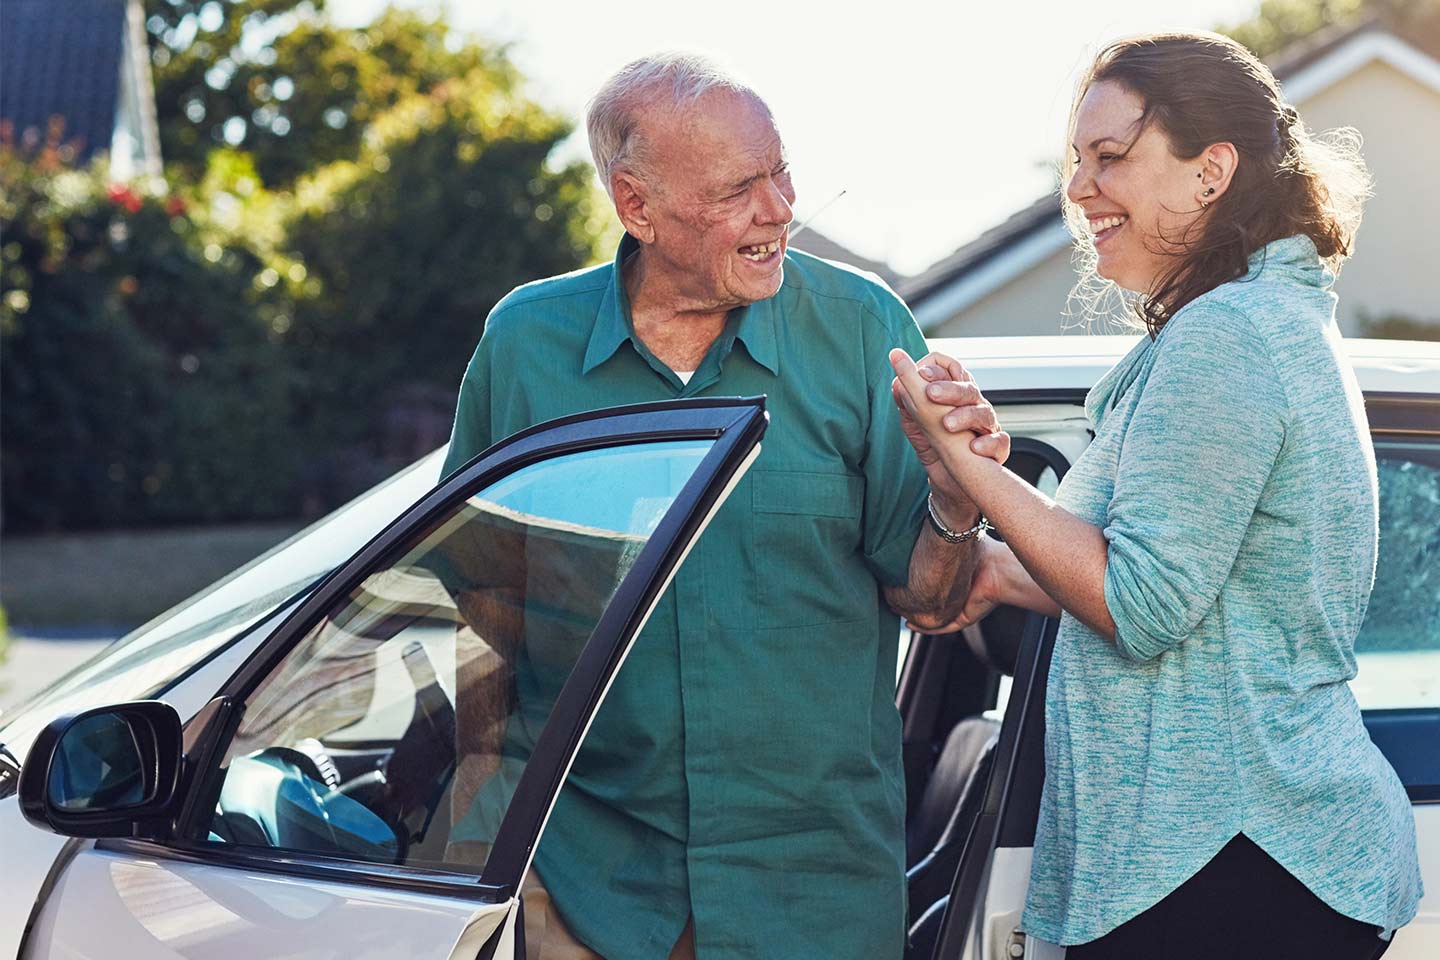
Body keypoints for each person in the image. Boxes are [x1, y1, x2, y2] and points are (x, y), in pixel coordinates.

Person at [440, 53, 1004, 960]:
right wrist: (484, 831)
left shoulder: (863, 331)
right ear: (637, 207)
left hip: (811, 898)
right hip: (589, 893)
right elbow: (482, 606)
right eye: (742, 187)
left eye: (780, 171)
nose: (781, 208)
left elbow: (933, 602)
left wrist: (953, 497)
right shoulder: (524, 345)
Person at [889, 31, 1422, 960]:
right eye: (1076, 163)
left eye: (1112, 158)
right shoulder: (1239, 324)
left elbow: (1141, 604)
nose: (1080, 189)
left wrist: (973, 470)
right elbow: (1173, 574)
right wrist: (988, 553)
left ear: (1212, 170)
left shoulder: (1229, 338)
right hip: (1235, 857)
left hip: (1238, 861)